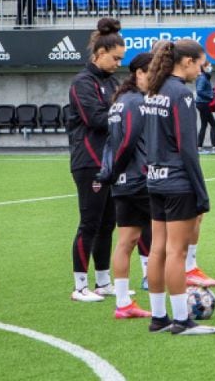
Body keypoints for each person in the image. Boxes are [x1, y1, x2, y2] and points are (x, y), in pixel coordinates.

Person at [143, 39, 215, 335]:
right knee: (177, 252)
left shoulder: (153, 91)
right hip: (177, 181)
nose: (201, 71)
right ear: (187, 61)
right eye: (200, 64)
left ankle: (159, 317)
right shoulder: (181, 95)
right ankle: (182, 319)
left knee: (158, 250)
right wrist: (201, 191)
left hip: (155, 179)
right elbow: (188, 148)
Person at [67, 17, 125, 303]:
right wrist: (124, 117)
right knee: (89, 222)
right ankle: (79, 286)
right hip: (89, 161)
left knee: (107, 223)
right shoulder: (82, 82)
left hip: (110, 161)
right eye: (115, 58)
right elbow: (96, 119)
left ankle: (103, 282)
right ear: (100, 54)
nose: (118, 64)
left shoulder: (111, 81)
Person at [96, 52, 155, 319]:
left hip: (123, 183)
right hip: (140, 180)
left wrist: (111, 174)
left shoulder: (119, 101)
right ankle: (163, 306)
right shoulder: (137, 102)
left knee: (127, 241)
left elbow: (111, 142)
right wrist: (118, 170)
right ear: (140, 73)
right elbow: (128, 142)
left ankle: (123, 304)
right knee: (161, 241)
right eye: (153, 72)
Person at [195, 62, 215, 154]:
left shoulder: (205, 77)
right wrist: (211, 96)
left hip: (202, 103)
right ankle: (208, 147)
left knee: (205, 125)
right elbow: (199, 91)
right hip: (203, 103)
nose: (211, 67)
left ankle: (201, 147)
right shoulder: (202, 78)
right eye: (209, 66)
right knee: (212, 124)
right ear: (204, 67)